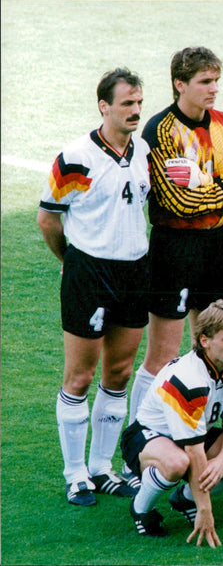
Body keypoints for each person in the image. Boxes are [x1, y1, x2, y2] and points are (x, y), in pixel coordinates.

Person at [128, 46, 223, 426]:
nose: (213, 88)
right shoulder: (160, 130)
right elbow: (178, 204)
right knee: (164, 355)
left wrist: (217, 189)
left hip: (219, 245)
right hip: (174, 247)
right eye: (205, 81)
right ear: (179, 84)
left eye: (216, 80)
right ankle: (140, 434)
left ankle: (205, 425)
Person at [37, 68, 148, 506]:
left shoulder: (144, 152)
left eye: (139, 103)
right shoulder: (76, 158)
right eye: (127, 104)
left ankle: (102, 467)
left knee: (118, 373)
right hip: (90, 272)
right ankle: (75, 473)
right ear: (104, 106)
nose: (135, 111)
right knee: (80, 376)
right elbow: (48, 219)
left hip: (135, 270)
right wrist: (71, 261)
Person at [121, 300, 223, 545]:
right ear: (204, 340)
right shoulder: (188, 379)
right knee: (178, 462)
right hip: (150, 435)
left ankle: (186, 498)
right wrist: (206, 510)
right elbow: (193, 451)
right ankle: (141, 508)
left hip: (197, 433)